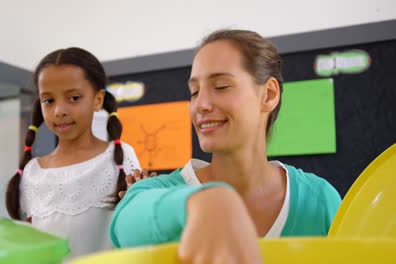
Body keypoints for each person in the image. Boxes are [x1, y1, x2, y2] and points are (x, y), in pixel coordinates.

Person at [110, 29, 342, 263]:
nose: (200, 105)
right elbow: (125, 223)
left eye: (221, 86)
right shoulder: (158, 192)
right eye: (194, 92)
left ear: (269, 95)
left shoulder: (320, 200)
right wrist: (202, 203)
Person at [5, 47, 141, 257]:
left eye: (74, 98)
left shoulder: (121, 157)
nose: (59, 111)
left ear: (98, 100)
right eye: (49, 100)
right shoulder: (32, 172)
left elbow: (136, 236)